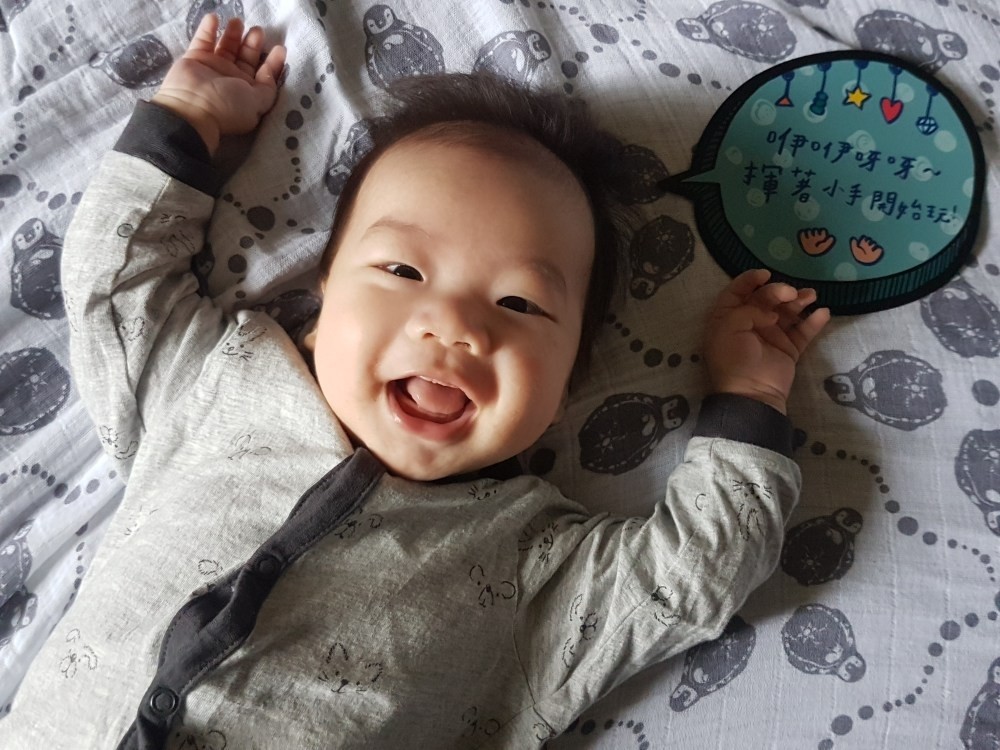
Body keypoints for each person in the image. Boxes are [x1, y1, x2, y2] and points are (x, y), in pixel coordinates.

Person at [3, 14, 829, 750]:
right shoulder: (213, 379)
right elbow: (117, 281)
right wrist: (186, 120)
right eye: (402, 270)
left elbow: (688, 582)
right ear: (323, 295)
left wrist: (748, 398)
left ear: (566, 385)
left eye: (520, 303)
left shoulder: (532, 566)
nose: (457, 326)